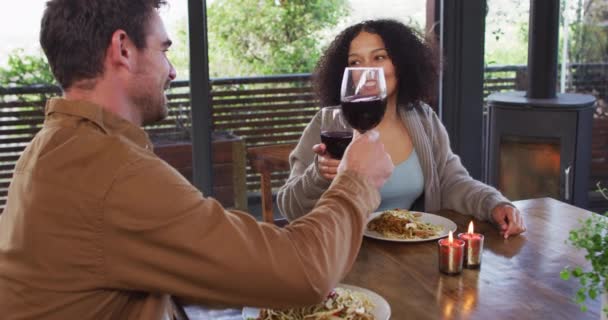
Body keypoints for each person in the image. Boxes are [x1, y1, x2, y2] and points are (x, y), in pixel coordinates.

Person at [0, 1, 394, 319]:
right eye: (163, 50)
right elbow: (304, 274)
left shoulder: (52, 146)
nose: (171, 71)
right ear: (123, 49)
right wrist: (356, 180)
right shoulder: (111, 172)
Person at [277, 19, 526, 239]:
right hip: (341, 262)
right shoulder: (329, 123)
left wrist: (494, 204)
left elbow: (453, 182)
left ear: (402, 63)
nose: (367, 71)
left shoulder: (423, 119)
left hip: (410, 257)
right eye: (356, 62)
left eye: (379, 57)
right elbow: (290, 207)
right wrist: (319, 175)